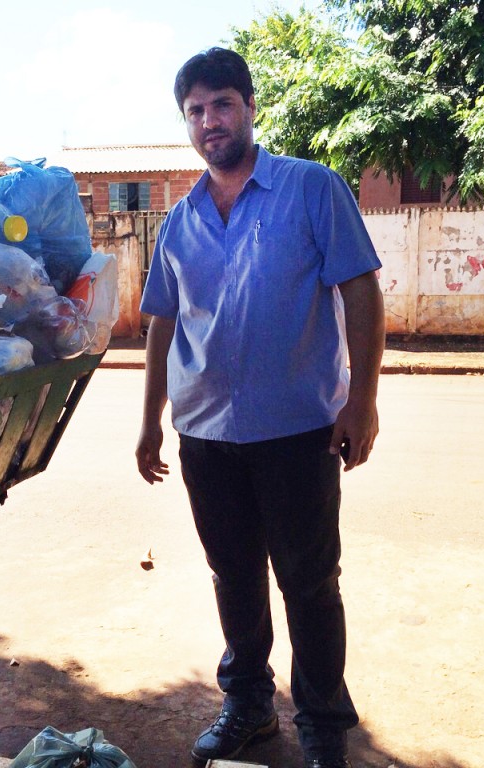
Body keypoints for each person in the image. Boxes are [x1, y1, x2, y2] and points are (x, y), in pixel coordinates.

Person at [134, 47, 385, 768]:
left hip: (298, 430)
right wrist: (151, 420)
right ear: (187, 124)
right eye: (196, 111)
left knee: (309, 580)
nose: (210, 121)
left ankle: (322, 725)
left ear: (248, 107)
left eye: (222, 104)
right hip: (205, 435)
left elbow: (361, 291)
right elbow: (162, 322)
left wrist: (361, 402)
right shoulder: (178, 222)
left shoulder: (312, 189)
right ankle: (248, 705)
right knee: (233, 574)